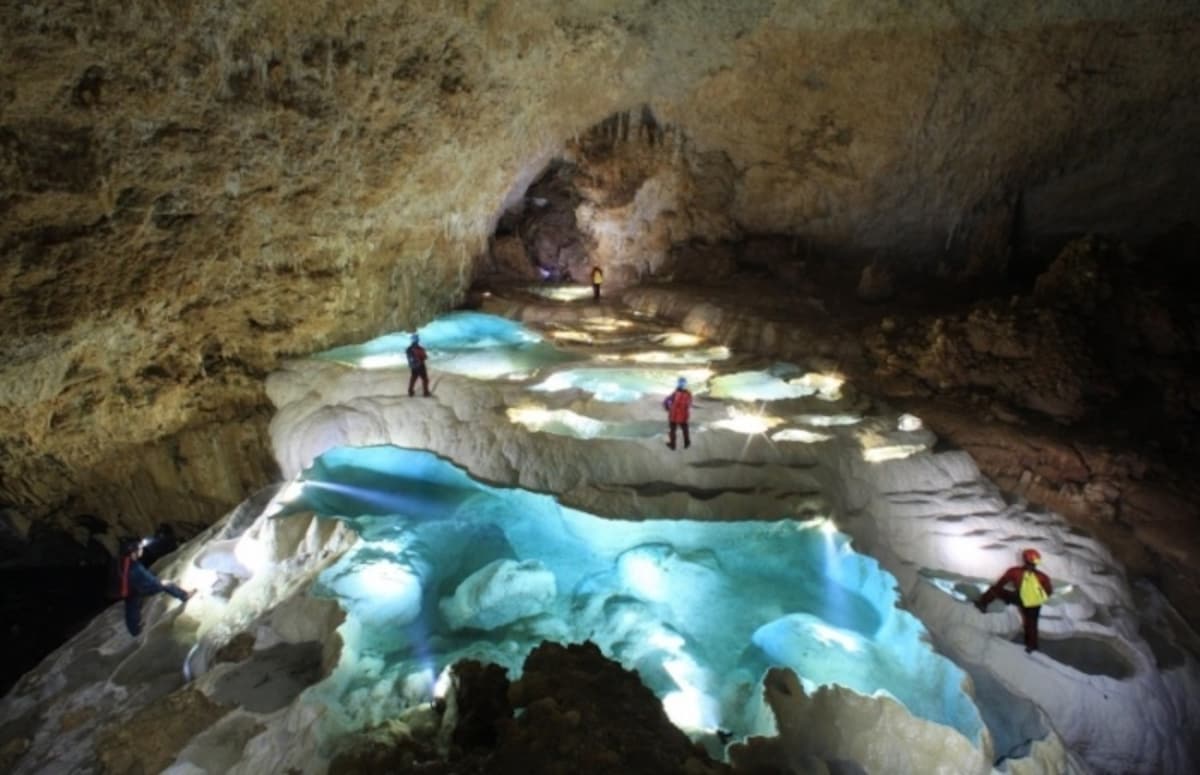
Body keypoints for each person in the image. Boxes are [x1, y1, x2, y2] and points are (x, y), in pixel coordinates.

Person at [975, 548, 1053, 653]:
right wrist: (1036, 598)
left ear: (1024, 559)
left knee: (995, 590)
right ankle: (1032, 646)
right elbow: (1048, 591)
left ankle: (982, 604)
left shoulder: (1015, 571)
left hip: (1019, 598)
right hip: (1034, 604)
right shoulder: (1043, 577)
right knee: (1031, 624)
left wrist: (1007, 597)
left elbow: (1000, 584)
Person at [117, 538, 192, 636]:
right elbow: (151, 581)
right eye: (139, 549)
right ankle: (184, 596)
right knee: (167, 584)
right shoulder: (136, 567)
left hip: (129, 589)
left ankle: (134, 630)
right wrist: (161, 583)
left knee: (131, 607)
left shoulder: (124, 562)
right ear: (133, 553)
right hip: (139, 588)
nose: (141, 550)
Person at [663, 376, 693, 450]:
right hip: (684, 415)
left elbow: (668, 400)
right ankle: (687, 442)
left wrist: (667, 407)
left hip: (674, 415)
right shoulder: (688, 394)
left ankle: (672, 445)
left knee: (672, 429)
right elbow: (689, 404)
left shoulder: (676, 393)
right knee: (685, 428)